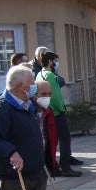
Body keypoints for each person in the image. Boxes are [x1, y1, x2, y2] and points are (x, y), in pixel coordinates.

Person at [33, 50, 80, 178]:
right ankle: (65, 166)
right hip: (56, 112)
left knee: (52, 139)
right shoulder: (51, 76)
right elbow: (55, 96)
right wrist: (61, 109)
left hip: (47, 111)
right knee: (65, 139)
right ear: (50, 61)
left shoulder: (39, 74)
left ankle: (52, 165)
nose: (56, 64)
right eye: (55, 61)